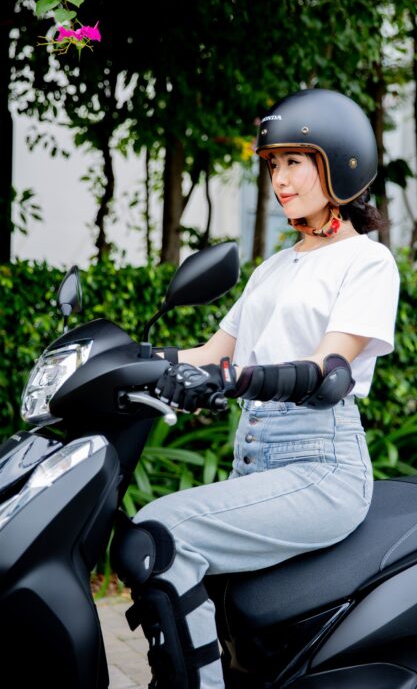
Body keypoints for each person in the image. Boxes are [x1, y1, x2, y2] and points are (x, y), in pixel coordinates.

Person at [131, 87, 400, 689]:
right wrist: (130, 358)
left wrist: (238, 380)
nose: (279, 178)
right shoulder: (274, 267)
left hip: (323, 467)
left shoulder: (367, 261)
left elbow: (328, 367)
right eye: (273, 164)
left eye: (294, 162)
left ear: (340, 164)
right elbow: (212, 355)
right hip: (255, 464)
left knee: (160, 537)